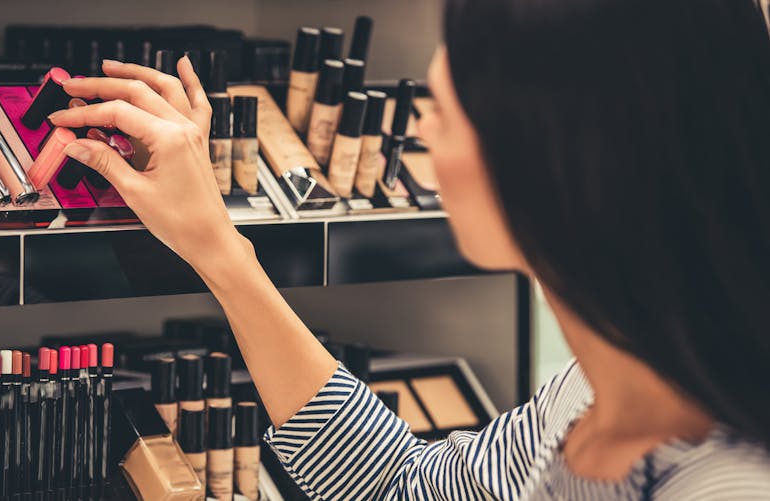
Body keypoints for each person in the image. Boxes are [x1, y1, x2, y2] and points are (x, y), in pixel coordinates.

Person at [48, 0, 770, 497]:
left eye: (440, 117)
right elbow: (401, 486)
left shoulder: (726, 482)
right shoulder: (589, 395)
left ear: (557, 161)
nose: (418, 145)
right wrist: (218, 250)